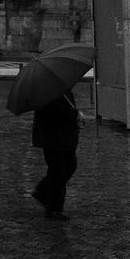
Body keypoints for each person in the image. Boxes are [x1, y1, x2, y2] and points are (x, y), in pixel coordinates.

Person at [31, 90, 80, 221]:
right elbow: (53, 110)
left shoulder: (59, 87)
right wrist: (74, 114)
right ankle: (53, 208)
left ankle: (43, 192)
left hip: (61, 135)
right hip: (53, 137)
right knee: (58, 170)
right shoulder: (47, 91)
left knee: (68, 166)